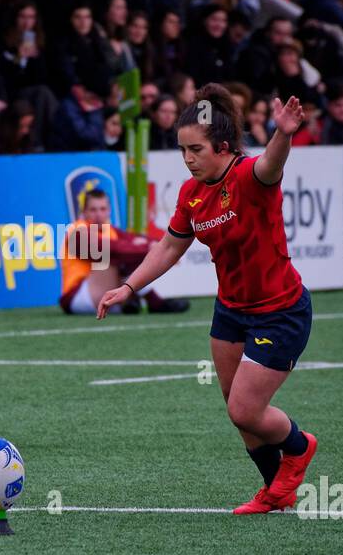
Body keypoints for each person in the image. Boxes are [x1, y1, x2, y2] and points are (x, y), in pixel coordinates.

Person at [96, 85, 316, 515]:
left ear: (223, 146)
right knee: (240, 415)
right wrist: (128, 287)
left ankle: (300, 445)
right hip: (230, 312)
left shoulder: (251, 177)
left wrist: (283, 134)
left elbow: (272, 163)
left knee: (245, 410)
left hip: (280, 311)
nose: (188, 159)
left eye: (195, 149)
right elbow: (168, 248)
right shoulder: (190, 193)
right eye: (182, 151)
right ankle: (277, 491)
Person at [59, 188, 187, 316]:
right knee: (114, 256)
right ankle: (153, 302)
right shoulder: (76, 232)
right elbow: (108, 248)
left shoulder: (111, 231)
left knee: (126, 253)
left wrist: (158, 246)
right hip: (77, 298)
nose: (98, 214)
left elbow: (139, 240)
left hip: (103, 294)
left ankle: (131, 302)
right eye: (93, 210)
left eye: (102, 209)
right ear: (84, 212)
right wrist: (152, 249)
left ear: (109, 211)